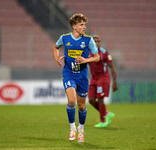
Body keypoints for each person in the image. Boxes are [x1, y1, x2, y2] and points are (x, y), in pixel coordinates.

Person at [53, 13, 99, 142]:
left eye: (84, 24)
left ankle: (81, 129)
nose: (84, 27)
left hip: (82, 76)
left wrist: (86, 60)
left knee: (81, 106)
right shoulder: (65, 38)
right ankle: (72, 128)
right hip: (68, 74)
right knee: (72, 101)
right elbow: (56, 47)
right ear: (74, 26)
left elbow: (97, 57)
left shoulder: (88, 40)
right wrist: (57, 58)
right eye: (81, 24)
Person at [88, 35, 118, 128]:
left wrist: (115, 81)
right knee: (91, 100)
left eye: (98, 41)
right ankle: (106, 113)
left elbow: (112, 67)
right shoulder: (87, 53)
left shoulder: (104, 53)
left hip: (103, 78)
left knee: (100, 99)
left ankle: (103, 121)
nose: (97, 43)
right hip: (94, 78)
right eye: (95, 41)